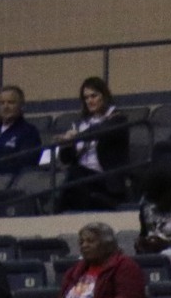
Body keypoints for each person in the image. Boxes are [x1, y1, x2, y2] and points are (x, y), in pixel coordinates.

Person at [36, 223, 147, 298]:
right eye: (81, 242)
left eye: (90, 241)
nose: (84, 245)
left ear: (107, 245)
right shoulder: (75, 270)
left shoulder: (124, 265)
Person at [53, 76, 133, 212]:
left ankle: (55, 214)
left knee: (75, 174)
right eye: (86, 98)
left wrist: (76, 137)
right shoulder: (79, 123)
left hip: (105, 179)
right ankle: (57, 214)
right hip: (83, 178)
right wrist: (66, 145)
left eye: (94, 96)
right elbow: (66, 159)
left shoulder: (117, 118)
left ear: (104, 96)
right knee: (73, 177)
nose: (90, 101)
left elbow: (101, 131)